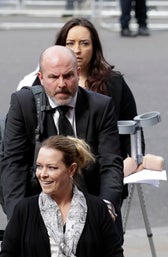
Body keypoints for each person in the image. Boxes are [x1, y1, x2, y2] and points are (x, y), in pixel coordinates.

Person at [0, 45, 123, 222]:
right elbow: (14, 164)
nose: (62, 84)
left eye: (68, 76)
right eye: (53, 77)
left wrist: (106, 207)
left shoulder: (101, 107)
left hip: (90, 203)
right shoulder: (23, 104)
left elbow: (111, 163)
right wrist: (18, 219)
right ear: (41, 78)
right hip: (38, 205)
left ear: (78, 73)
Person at [18, 17, 139, 160]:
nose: (77, 50)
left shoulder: (114, 83)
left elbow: (132, 126)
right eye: (70, 43)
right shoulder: (42, 82)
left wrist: (134, 160)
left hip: (102, 162)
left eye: (84, 43)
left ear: (94, 47)